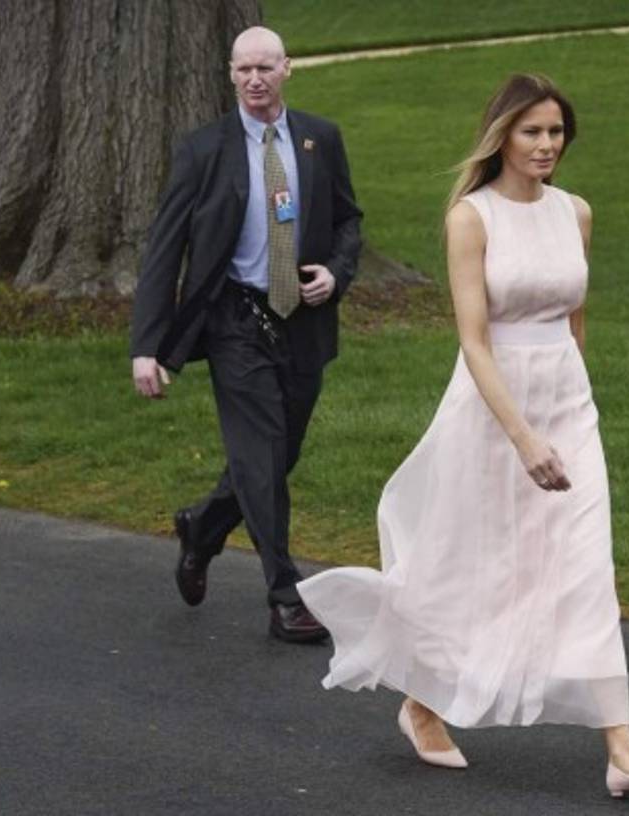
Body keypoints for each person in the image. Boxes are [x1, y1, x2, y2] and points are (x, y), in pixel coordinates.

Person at [296, 74, 629, 798]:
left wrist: (572, 405)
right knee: (474, 563)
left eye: (556, 131)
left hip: (569, 403)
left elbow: (575, 321)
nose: (547, 145)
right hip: (492, 408)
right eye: (532, 131)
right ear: (502, 136)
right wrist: (524, 438)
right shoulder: (470, 218)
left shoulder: (577, 212)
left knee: (583, 566)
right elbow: (474, 341)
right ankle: (422, 704)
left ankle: (623, 753)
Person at [129, 27, 362, 643]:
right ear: (230, 75)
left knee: (279, 456)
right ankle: (285, 596)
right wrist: (146, 346)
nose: (254, 79)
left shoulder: (320, 139)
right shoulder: (204, 150)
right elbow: (164, 250)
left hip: (303, 321)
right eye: (243, 70)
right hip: (235, 320)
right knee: (259, 458)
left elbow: (348, 221)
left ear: (288, 68)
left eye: (265, 67)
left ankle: (202, 527)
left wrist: (335, 275)